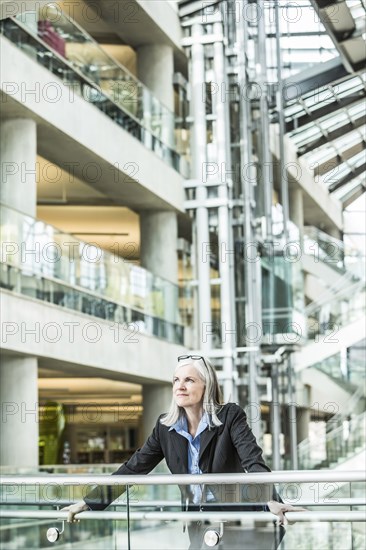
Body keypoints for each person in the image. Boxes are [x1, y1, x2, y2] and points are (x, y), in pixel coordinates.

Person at [63, 355, 305, 548]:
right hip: (198, 521)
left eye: (189, 380)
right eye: (176, 380)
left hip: (239, 520)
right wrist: (87, 503)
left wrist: (271, 499)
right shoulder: (165, 427)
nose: (180, 386)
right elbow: (133, 468)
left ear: (206, 385)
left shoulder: (230, 416)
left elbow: (253, 461)